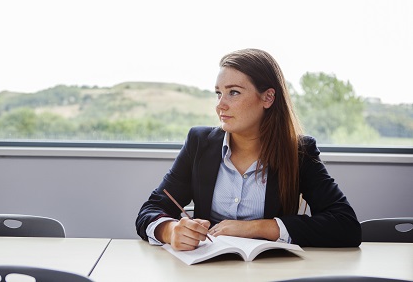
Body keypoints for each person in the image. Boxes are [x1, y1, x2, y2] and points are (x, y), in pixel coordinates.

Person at [135, 48, 362, 251]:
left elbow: (345, 225)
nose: (220, 104)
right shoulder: (199, 143)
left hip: (271, 273)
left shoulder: (299, 151)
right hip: (206, 271)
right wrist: (170, 230)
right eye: (218, 93)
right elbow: (151, 209)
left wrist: (256, 228)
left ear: (268, 97)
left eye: (233, 92)